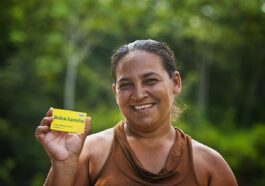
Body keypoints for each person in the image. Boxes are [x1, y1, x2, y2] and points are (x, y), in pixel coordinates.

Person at [35, 39, 238, 186]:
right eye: (126, 85)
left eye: (150, 81)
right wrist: (63, 165)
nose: (139, 94)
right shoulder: (88, 154)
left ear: (175, 83)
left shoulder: (209, 165)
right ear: (115, 91)